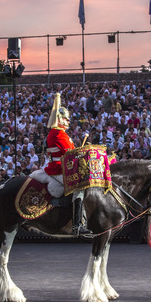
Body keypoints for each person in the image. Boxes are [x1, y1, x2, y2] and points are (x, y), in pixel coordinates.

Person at [44, 93, 90, 236]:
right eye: (66, 118)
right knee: (79, 188)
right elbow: (70, 154)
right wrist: (83, 152)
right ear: (59, 119)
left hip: (60, 167)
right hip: (58, 169)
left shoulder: (59, 133)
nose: (68, 121)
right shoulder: (58, 134)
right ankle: (77, 225)